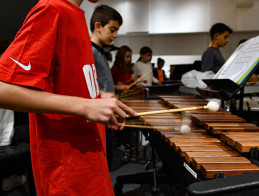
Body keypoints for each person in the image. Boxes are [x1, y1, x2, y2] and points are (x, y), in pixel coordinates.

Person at [0, 0, 136, 195]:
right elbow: (3, 89)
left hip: (89, 158)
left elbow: (70, 88)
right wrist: (85, 106)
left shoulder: (75, 15)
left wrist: (98, 100)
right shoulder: (51, 10)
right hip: (67, 171)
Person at [90, 5, 129, 171]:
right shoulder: (89, 51)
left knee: (107, 156)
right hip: (96, 113)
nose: (115, 35)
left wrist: (115, 89)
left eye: (117, 31)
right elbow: (84, 87)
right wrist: (102, 96)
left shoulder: (100, 52)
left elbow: (100, 81)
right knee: (101, 159)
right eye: (112, 30)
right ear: (98, 26)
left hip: (105, 111)